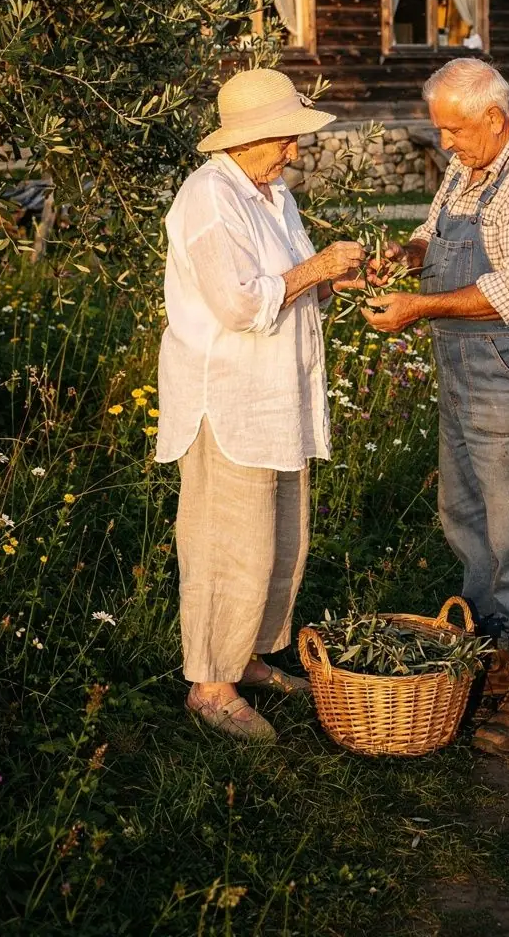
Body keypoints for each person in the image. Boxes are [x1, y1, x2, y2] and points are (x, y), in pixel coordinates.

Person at [364, 58, 509, 754]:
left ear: (494, 116)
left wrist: (418, 309)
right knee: (465, 513)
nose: (446, 145)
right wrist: (403, 258)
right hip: (466, 361)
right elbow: (434, 235)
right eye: (441, 132)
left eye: (455, 130)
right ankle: (493, 654)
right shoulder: (470, 168)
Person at [156, 68, 364, 743]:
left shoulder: (270, 196)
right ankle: (208, 686)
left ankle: (242, 658)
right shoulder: (208, 199)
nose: (294, 151)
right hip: (230, 398)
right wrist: (316, 270)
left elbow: (293, 283)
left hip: (277, 397)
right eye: (284, 138)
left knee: (277, 539)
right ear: (247, 139)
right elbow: (241, 303)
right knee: (227, 542)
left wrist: (337, 278)